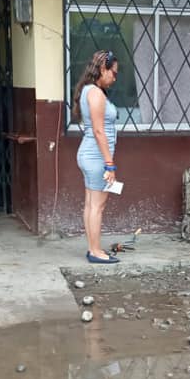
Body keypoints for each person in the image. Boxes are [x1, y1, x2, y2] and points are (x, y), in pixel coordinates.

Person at [72, 50, 121, 264]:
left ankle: (93, 248)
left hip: (90, 154)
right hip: (96, 157)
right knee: (97, 207)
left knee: (91, 205)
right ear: (103, 69)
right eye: (114, 72)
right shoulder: (95, 94)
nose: (115, 78)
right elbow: (99, 131)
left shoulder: (89, 90)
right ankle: (95, 251)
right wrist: (109, 164)